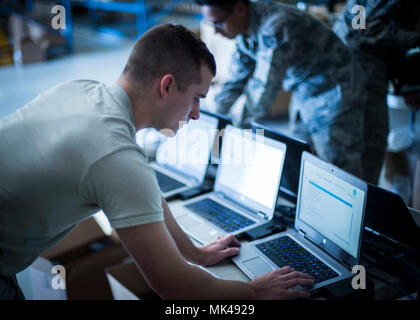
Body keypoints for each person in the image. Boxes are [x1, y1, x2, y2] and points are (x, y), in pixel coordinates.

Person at [0, 23, 314, 300]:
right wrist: (255, 292)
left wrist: (193, 252)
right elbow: (176, 287)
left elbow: (143, 185)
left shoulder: (83, 90)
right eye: (196, 99)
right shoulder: (115, 156)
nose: (195, 114)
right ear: (166, 86)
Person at [195, 0, 384, 184]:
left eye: (218, 23)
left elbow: (262, 92)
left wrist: (228, 134)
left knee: (338, 175)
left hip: (335, 93)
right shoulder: (245, 31)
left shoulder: (275, 26)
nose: (215, 31)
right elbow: (234, 82)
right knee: (300, 162)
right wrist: (211, 122)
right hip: (304, 92)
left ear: (239, 8)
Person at [333, 0, 420, 187]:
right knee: (368, 139)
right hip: (359, 61)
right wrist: (415, 40)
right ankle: (361, 202)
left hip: (364, 57)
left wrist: (406, 80)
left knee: (369, 138)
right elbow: (364, 28)